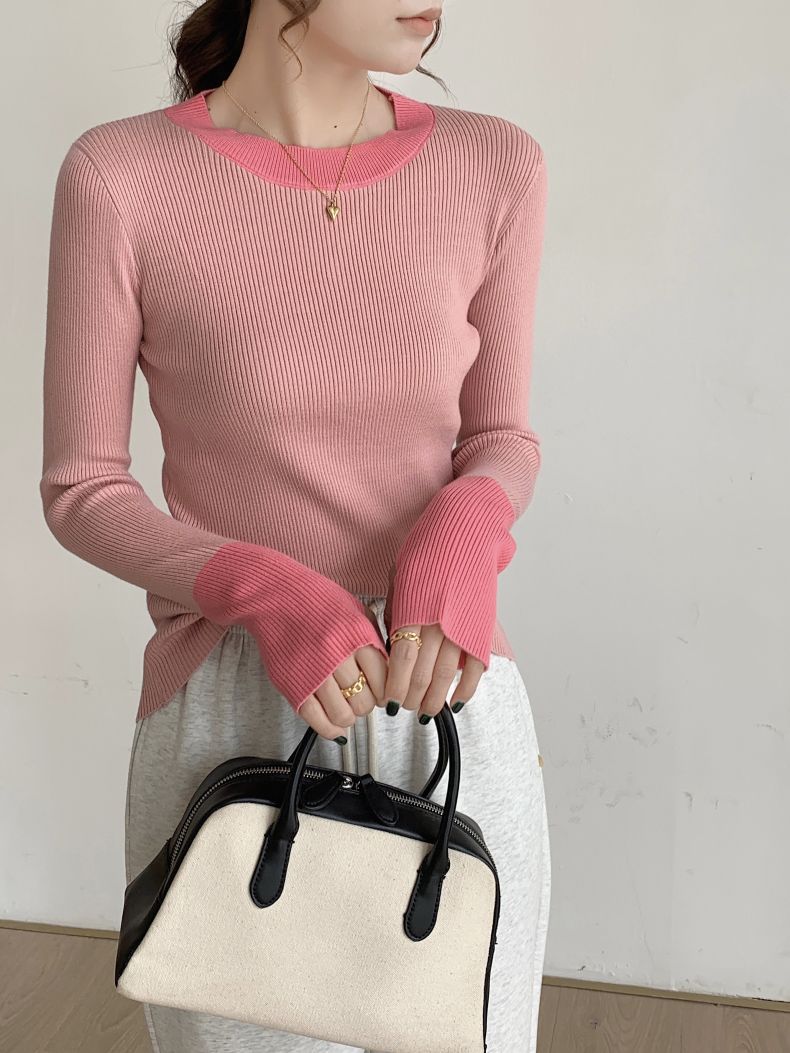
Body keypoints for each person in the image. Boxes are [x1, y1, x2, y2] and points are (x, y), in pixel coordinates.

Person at [40, 1, 551, 1050]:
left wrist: (462, 530)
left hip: (447, 687)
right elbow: (83, 487)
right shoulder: (119, 176)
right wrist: (265, 589)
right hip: (232, 707)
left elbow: (502, 436)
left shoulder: (495, 164)